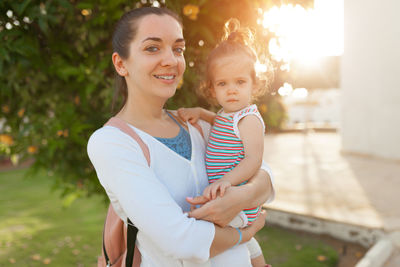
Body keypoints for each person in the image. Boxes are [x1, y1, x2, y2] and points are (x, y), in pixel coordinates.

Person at [87, 7, 274, 267]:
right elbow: (182, 241)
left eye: (178, 49)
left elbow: (261, 170)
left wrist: (244, 196)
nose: (171, 60)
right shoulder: (111, 142)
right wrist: (246, 233)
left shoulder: (197, 124)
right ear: (121, 64)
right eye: (153, 48)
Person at [177, 18, 272, 267]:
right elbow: (219, 123)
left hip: (236, 199)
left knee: (203, 232)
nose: (231, 90)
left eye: (240, 82)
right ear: (212, 89)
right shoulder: (226, 115)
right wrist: (202, 112)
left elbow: (254, 159)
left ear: (255, 83)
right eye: (223, 84)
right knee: (244, 243)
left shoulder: (248, 118)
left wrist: (224, 181)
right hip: (226, 194)